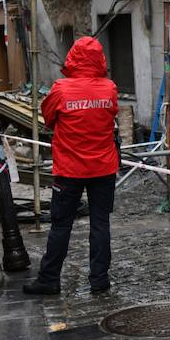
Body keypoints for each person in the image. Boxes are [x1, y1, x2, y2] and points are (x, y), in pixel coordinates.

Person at [23, 36, 119, 296]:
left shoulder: (61, 89)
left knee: (61, 224)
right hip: (103, 167)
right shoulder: (109, 88)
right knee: (101, 224)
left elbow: (49, 118)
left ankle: (49, 278)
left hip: (70, 169)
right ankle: (99, 280)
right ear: (100, 59)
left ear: (73, 57)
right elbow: (112, 116)